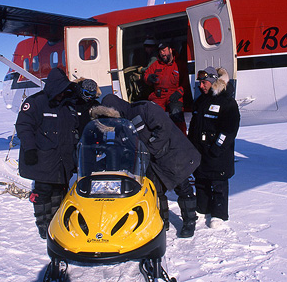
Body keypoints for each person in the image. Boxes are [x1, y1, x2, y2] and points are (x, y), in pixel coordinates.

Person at [91, 94, 201, 238]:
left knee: (183, 187)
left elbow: (164, 127)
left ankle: (189, 221)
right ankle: (162, 221)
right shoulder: (121, 124)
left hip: (172, 154)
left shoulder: (144, 108)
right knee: (156, 190)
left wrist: (150, 148)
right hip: (152, 161)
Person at [16, 68, 79, 239]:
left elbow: (74, 131)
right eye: (59, 91)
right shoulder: (35, 103)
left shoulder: (68, 106)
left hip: (62, 160)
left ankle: (57, 223)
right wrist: (29, 149)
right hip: (43, 159)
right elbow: (23, 126)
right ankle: (44, 225)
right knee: (43, 193)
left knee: (59, 192)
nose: (61, 94)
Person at [188, 66, 240, 228]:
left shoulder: (227, 102)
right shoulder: (201, 101)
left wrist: (217, 148)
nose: (201, 86)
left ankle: (219, 214)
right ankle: (203, 208)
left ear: (213, 82)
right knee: (201, 181)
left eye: (204, 83)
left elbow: (229, 129)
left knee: (218, 183)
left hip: (217, 153)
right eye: (200, 83)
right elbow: (194, 125)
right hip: (200, 151)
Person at [144, 42, 187, 134]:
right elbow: (146, 75)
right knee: (153, 116)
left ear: (170, 50)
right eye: (160, 51)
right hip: (158, 95)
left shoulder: (179, 64)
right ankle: (158, 139)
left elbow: (186, 81)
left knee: (177, 114)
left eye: (164, 50)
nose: (162, 53)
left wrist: (180, 92)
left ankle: (182, 139)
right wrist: (149, 78)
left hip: (174, 93)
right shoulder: (156, 64)